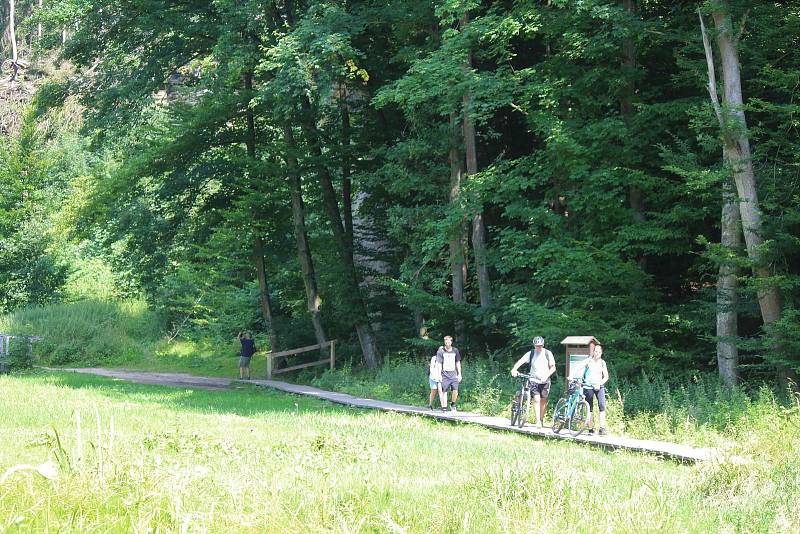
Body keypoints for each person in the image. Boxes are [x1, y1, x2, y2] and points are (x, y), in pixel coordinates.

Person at [510, 336, 555, 428]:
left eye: (540, 345)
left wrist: (546, 375)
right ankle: (538, 421)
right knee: (537, 399)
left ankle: (541, 420)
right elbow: (520, 361)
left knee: (543, 401)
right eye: (537, 346)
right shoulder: (531, 353)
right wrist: (514, 369)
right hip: (533, 380)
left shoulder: (548, 353)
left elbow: (553, 367)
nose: (539, 347)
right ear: (534, 345)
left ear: (543, 345)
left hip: (545, 381)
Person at [582, 344, 609, 436]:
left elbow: (606, 376)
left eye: (599, 351)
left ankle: (602, 428)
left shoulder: (602, 362)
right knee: (590, 407)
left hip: (599, 386)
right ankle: (590, 428)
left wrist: (600, 383)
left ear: (601, 353)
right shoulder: (588, 361)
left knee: (602, 405)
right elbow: (579, 367)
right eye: (596, 351)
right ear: (593, 352)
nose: (597, 353)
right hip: (588, 386)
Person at [436, 335, 462, 411]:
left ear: (451, 342)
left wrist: (459, 374)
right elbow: (439, 363)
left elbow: (458, 362)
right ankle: (444, 407)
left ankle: (453, 404)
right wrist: (439, 375)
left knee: (455, 391)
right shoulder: (441, 351)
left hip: (453, 374)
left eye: (448, 342)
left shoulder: (455, 350)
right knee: (444, 391)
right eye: (445, 342)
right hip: (444, 374)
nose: (447, 343)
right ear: (444, 342)